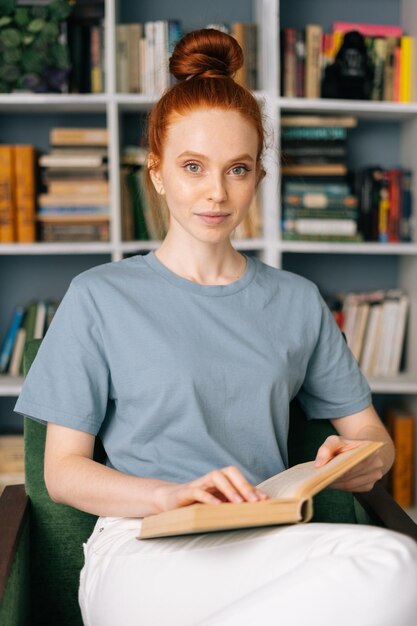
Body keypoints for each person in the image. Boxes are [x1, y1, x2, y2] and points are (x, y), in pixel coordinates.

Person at [15, 28, 417, 626]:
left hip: (263, 538)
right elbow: (62, 472)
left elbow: (369, 434)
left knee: (398, 562)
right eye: (193, 166)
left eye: (237, 169)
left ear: (258, 178)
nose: (215, 192)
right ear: (156, 173)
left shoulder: (298, 301)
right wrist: (167, 495)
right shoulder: (99, 296)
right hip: (141, 544)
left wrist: (367, 460)